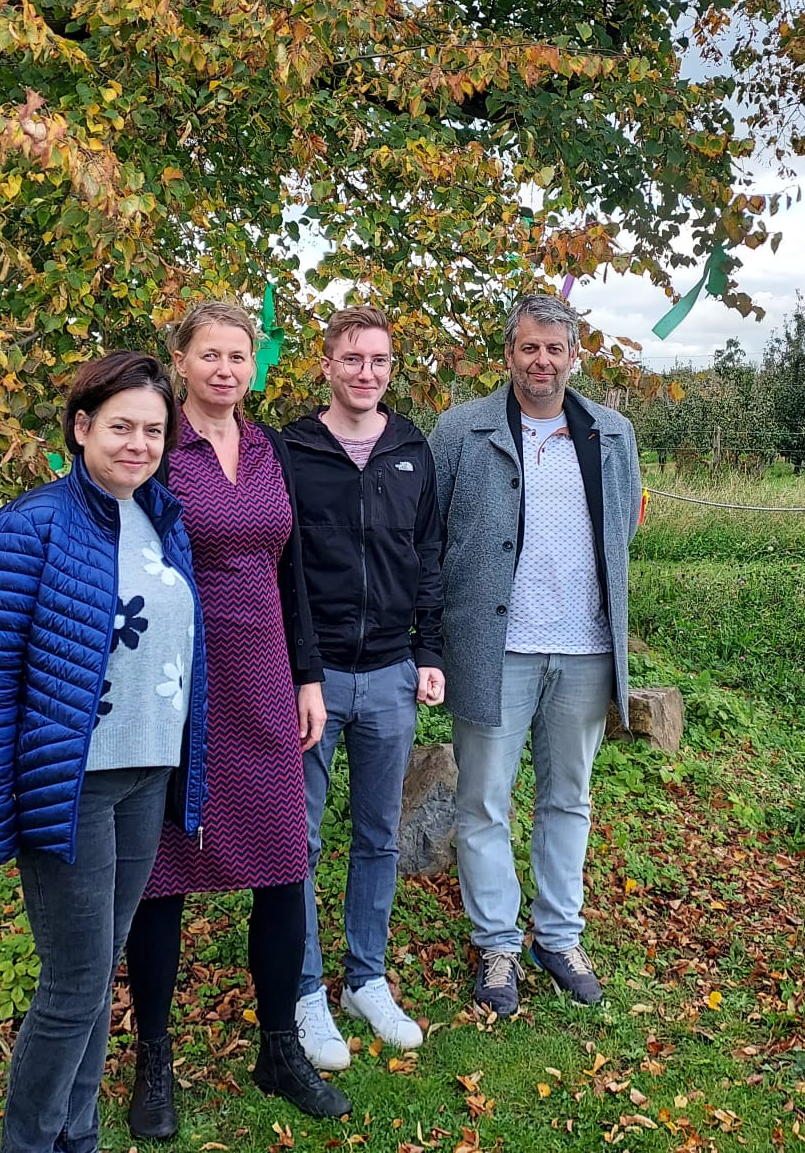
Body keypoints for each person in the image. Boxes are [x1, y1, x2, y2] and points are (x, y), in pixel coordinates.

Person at [0, 351, 203, 1153]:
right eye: (121, 426)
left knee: (99, 973)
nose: (138, 443)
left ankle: (77, 1135)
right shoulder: (28, 527)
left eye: (153, 430)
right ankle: (31, 1141)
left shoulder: (162, 518)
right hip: (72, 786)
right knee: (72, 984)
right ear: (81, 427)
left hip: (144, 772)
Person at [122, 299, 349, 1138]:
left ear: (255, 366)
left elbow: (293, 575)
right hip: (177, 683)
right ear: (179, 360)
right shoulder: (156, 449)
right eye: (210, 355)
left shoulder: (270, 448)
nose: (225, 370)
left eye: (239, 357)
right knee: (164, 876)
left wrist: (308, 675)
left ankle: (279, 1048)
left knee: (285, 866)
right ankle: (154, 1061)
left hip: (263, 679)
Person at [428, 292, 642, 1017]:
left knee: (568, 799)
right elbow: (430, 534)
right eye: (528, 347)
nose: (541, 361)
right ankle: (496, 944)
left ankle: (558, 934)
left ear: (575, 356)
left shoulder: (612, 434)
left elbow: (623, 531)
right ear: (509, 353)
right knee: (484, 800)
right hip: (495, 649)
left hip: (583, 647)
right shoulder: (462, 430)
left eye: (555, 349)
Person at [280, 305, 446, 1070]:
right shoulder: (293, 449)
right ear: (327, 365)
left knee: (378, 834)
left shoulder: (413, 447)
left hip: (389, 673)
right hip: (311, 683)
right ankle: (305, 990)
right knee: (303, 840)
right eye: (352, 359)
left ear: (390, 367)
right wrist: (303, 670)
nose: (366, 373)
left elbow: (429, 555)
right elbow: (287, 572)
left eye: (379, 360)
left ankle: (365, 978)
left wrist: (430, 652)